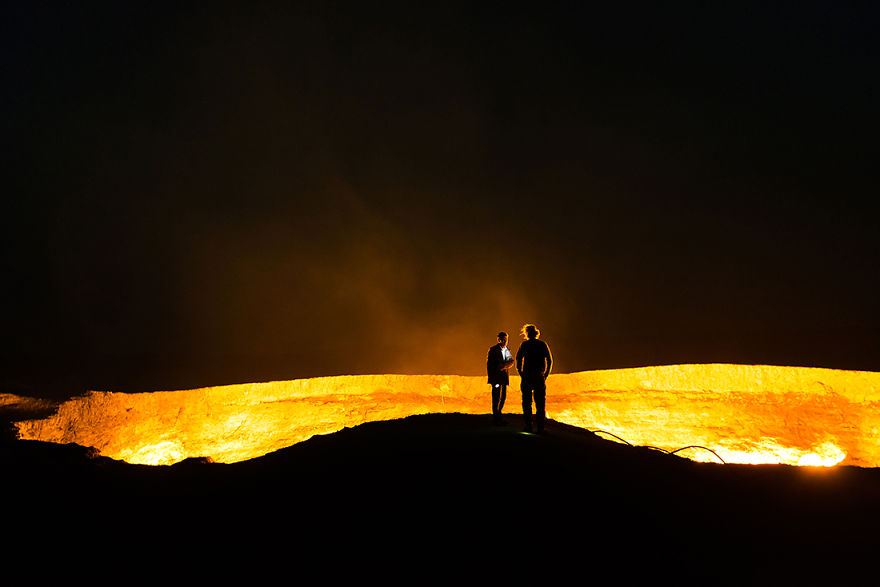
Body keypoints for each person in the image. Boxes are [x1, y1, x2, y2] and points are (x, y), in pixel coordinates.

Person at [515, 323, 552, 433]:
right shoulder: (542, 344)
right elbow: (549, 360)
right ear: (536, 333)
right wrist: (545, 374)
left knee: (526, 402)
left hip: (527, 376)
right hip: (539, 376)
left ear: (526, 334)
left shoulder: (524, 345)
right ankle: (540, 427)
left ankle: (528, 426)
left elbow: (518, 359)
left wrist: (520, 372)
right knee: (540, 403)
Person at [486, 331, 515, 425]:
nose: (504, 341)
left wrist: (504, 366)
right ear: (498, 339)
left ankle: (498, 416)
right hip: (496, 378)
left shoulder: (506, 350)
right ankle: (496, 417)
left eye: (505, 339)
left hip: (503, 378)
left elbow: (511, 362)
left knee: (502, 397)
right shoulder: (493, 350)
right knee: (496, 397)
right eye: (502, 339)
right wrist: (492, 376)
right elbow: (489, 365)